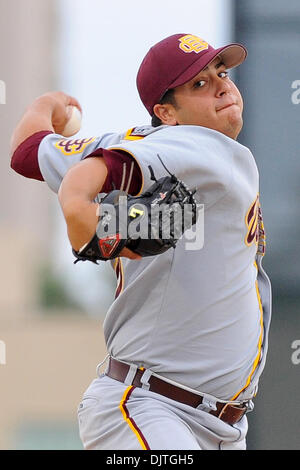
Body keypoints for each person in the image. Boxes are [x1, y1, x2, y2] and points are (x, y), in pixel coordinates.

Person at [10, 33, 272, 450]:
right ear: (166, 112)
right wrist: (81, 209)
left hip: (212, 425)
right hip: (154, 409)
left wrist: (45, 106)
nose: (223, 85)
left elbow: (26, 153)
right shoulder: (203, 145)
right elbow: (97, 172)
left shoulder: (131, 140)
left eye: (221, 73)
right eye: (199, 84)